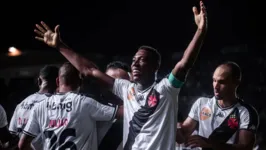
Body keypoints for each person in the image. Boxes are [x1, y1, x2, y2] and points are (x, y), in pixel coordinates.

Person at [33, 1, 207, 149]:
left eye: (142, 60)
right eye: (133, 59)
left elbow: (184, 64)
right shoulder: (126, 89)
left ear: (155, 67)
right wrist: (60, 46)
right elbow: (90, 71)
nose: (135, 63)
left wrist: (200, 31)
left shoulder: (166, 90)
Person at [18, 62, 123, 150]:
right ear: (81, 83)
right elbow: (122, 112)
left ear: (58, 81)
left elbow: (22, 145)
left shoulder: (39, 107)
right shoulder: (85, 103)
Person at [176, 62, 259, 150]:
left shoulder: (246, 112)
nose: (216, 86)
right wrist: (169, 122)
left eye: (221, 82)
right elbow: (182, 136)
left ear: (236, 82)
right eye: (214, 80)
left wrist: (210, 144)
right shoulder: (201, 103)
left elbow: (246, 148)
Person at [9, 65, 59, 137]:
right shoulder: (57, 105)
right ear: (58, 82)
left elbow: (12, 133)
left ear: (39, 81)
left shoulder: (22, 104)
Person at [98, 61, 130, 150]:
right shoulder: (88, 107)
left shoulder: (137, 113)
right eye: (111, 82)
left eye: (122, 83)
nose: (116, 87)